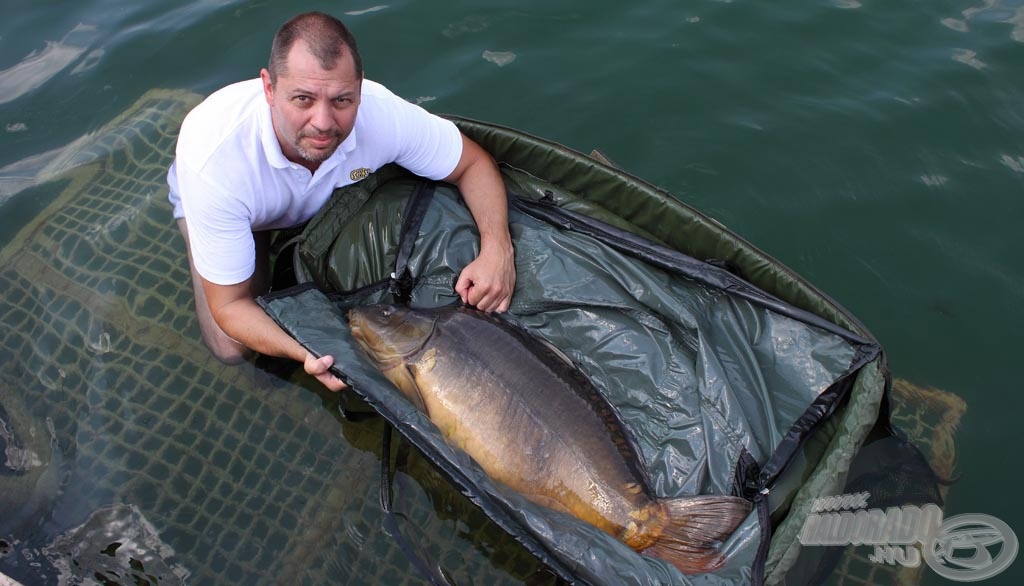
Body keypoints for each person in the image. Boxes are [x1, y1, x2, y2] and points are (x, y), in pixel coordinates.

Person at [167, 12, 516, 391]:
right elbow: (230, 306)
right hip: (240, 208)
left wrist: (498, 249)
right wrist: (306, 352)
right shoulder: (215, 161)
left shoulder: (382, 115)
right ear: (268, 88)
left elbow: (472, 163)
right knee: (231, 347)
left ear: (360, 91)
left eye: (341, 100)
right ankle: (216, 239)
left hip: (319, 201)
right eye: (302, 99)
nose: (323, 122)